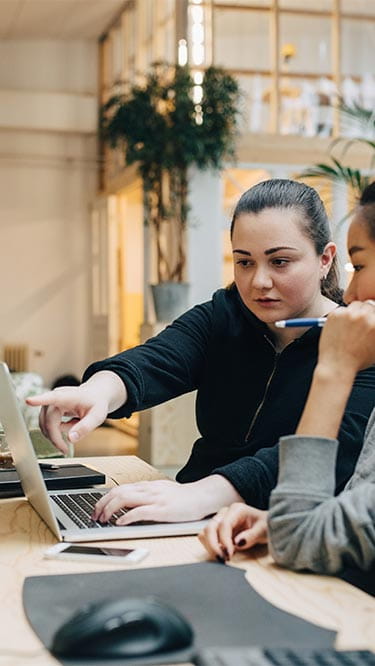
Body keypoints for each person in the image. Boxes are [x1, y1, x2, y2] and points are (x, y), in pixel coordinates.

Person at [27, 179, 375, 526]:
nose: (259, 282)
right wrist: (96, 392)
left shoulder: (360, 342)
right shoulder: (226, 313)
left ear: (325, 259)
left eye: (280, 262)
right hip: (191, 513)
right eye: (244, 262)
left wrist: (203, 495)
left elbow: (332, 450)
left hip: (276, 527)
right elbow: (156, 360)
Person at [199, 181, 375, 575]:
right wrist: (274, 522)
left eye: (359, 266)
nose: (350, 293)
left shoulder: (356, 360)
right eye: (243, 262)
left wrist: (335, 366)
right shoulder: (224, 312)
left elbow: (299, 538)